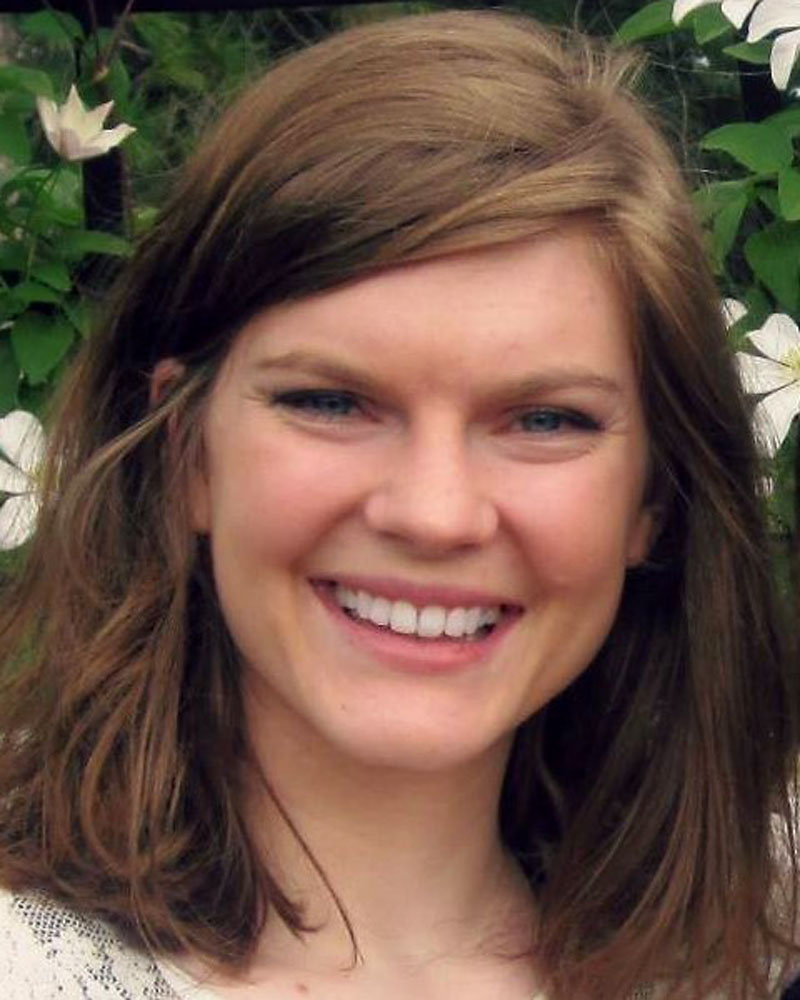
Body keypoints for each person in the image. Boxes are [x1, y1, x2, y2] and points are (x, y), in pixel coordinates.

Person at [0, 9, 796, 1000]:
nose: (433, 513)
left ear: (655, 499)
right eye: (329, 401)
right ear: (184, 452)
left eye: (543, 420)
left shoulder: (748, 953)